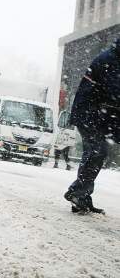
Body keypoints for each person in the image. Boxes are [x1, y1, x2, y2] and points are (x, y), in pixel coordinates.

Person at [63, 40, 120, 214]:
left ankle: (82, 197)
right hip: (88, 114)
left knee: (95, 152)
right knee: (97, 150)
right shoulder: (109, 60)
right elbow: (114, 92)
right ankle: (77, 192)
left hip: (98, 116)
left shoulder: (115, 60)